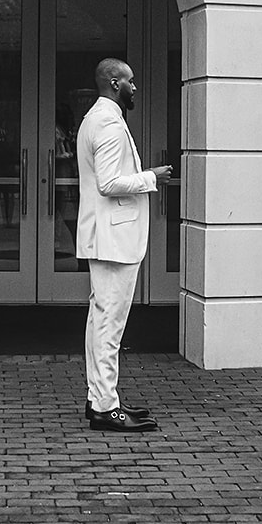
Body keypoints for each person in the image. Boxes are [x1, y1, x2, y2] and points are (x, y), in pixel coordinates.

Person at [77, 58, 171, 432]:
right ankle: (105, 407)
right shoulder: (109, 124)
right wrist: (152, 177)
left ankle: (100, 398)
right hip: (114, 240)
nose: (135, 87)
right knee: (109, 325)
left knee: (101, 320)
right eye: (131, 81)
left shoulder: (96, 119)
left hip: (106, 237)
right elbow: (109, 183)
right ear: (115, 83)